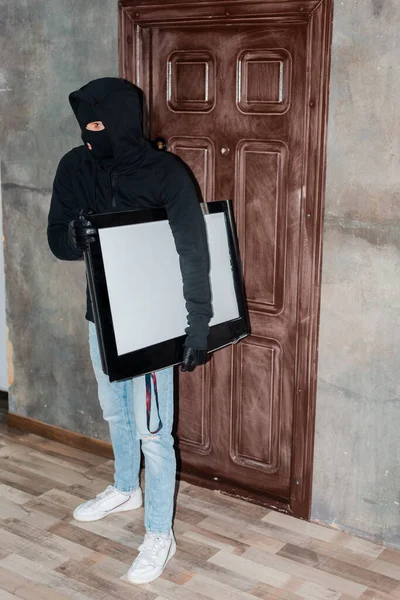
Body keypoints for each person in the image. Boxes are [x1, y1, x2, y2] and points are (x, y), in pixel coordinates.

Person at [47, 77, 212, 584]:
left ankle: (160, 530)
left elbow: (194, 249)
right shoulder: (75, 166)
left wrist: (198, 324)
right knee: (114, 411)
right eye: (85, 126)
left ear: (122, 122)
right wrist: (75, 239)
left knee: (154, 433)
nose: (91, 135)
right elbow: (57, 238)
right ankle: (125, 486)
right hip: (102, 317)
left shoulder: (167, 174)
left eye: (100, 125)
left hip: (154, 325)